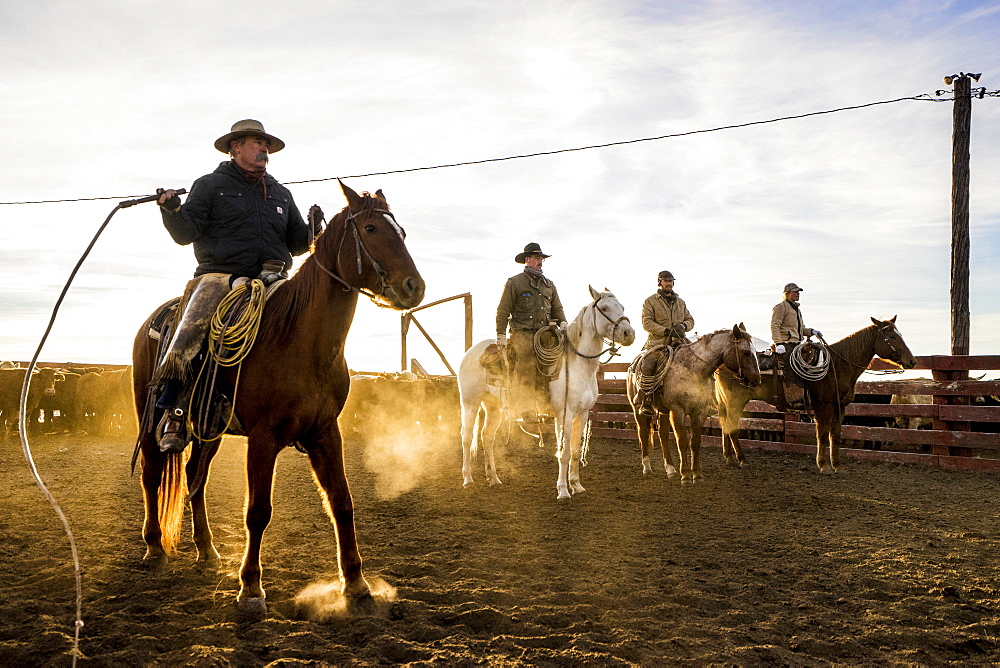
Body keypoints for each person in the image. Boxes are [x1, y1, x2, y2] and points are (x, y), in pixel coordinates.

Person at [152, 119, 321, 453]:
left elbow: (297, 243)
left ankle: (305, 411)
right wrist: (172, 210)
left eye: (266, 144)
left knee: (308, 325)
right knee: (192, 328)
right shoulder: (210, 185)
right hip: (219, 277)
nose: (263, 149)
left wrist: (313, 228)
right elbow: (185, 233)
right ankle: (175, 409)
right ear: (236, 147)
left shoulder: (280, 193)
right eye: (257, 143)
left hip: (273, 278)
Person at [495, 243, 566, 423]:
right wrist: (501, 334)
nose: (540, 262)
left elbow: (557, 309)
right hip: (522, 333)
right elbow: (503, 310)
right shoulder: (515, 283)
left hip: (545, 333)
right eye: (537, 258)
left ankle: (548, 405)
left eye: (541, 259)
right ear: (527, 260)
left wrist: (563, 323)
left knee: (557, 360)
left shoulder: (549, 285)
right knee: (527, 359)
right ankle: (525, 408)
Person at [634, 270, 695, 415]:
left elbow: (690, 320)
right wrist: (666, 331)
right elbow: (647, 323)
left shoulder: (681, 302)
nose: (668, 284)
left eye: (671, 281)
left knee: (699, 360)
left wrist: (684, 326)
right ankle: (646, 400)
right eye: (665, 281)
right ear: (659, 283)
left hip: (680, 342)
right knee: (648, 364)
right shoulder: (650, 301)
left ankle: (706, 398)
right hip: (658, 343)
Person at [770, 282, 822, 407]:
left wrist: (812, 331)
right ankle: (794, 399)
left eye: (798, 292)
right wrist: (778, 343)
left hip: (797, 344)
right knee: (792, 366)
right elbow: (774, 326)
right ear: (787, 294)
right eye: (795, 291)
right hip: (786, 344)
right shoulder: (780, 307)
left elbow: (801, 329)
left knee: (815, 358)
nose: (798, 294)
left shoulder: (797, 310)